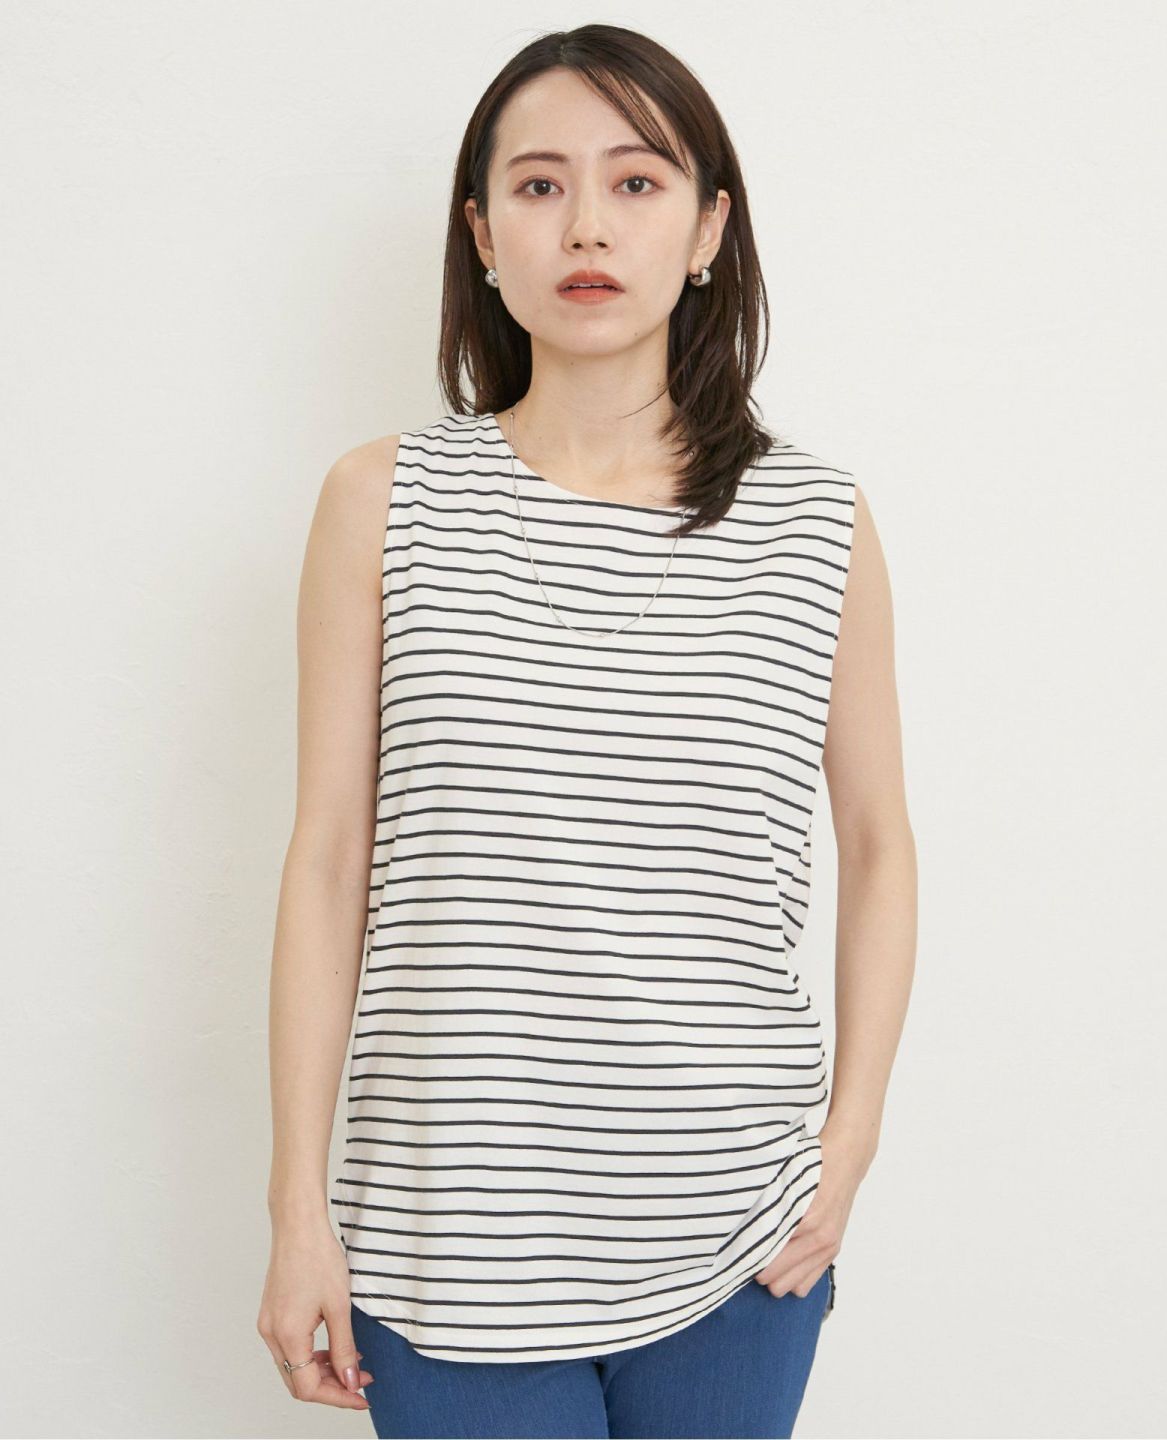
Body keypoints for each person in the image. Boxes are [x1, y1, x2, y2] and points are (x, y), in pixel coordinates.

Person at [257, 22, 917, 1440]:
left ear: (708, 229)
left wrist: (849, 1140)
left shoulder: (816, 521)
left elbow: (878, 844)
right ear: (482, 236)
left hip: (738, 1234)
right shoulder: (384, 502)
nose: (588, 226)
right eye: (541, 185)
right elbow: (326, 861)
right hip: (445, 1235)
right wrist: (295, 1207)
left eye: (636, 181)